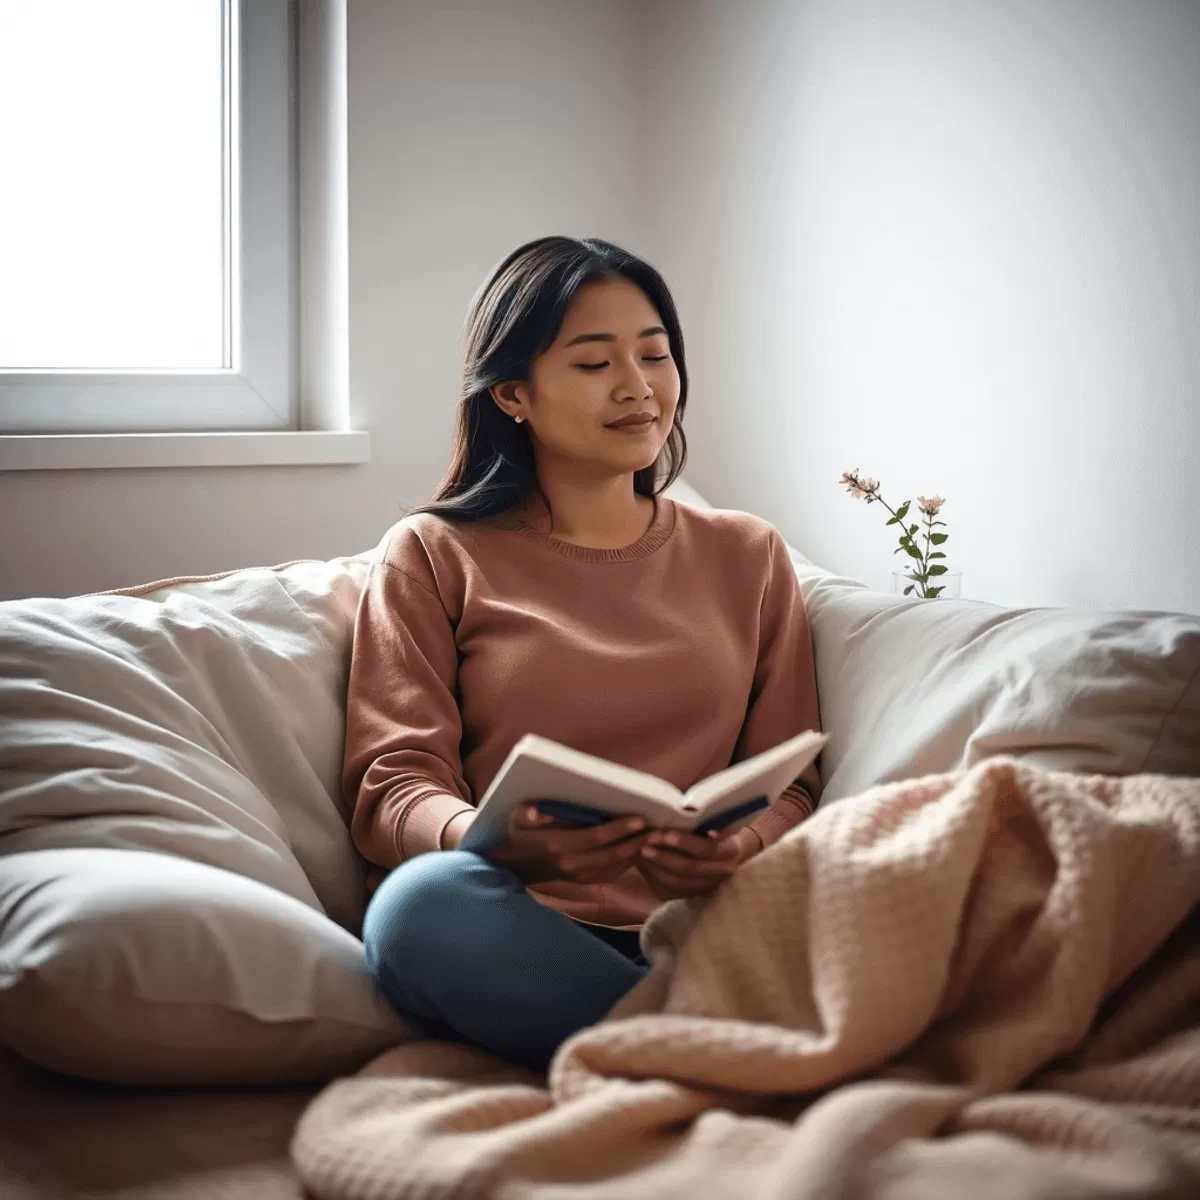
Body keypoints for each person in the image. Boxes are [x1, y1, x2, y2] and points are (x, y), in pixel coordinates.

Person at [342, 235, 822, 1074]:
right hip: (517, 924)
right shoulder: (432, 553)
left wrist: (739, 847)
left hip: (711, 924)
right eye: (595, 363)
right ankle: (707, 1056)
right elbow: (391, 789)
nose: (639, 387)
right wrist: (483, 839)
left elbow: (795, 779)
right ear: (515, 392)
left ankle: (682, 1051)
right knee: (416, 909)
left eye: (655, 355)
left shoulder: (749, 554)